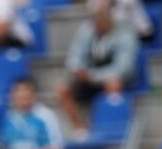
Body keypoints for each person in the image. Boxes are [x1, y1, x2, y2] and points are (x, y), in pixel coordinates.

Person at [54, 0, 138, 140]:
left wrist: (93, 76)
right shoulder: (87, 29)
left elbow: (123, 68)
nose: (98, 22)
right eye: (95, 18)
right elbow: (73, 58)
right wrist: (80, 70)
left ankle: (109, 128)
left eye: (102, 17)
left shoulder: (125, 32)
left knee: (113, 84)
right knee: (62, 89)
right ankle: (80, 130)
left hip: (113, 78)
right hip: (88, 78)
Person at [0, 77, 66, 149]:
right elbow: (4, 148)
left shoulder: (45, 116)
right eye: (18, 94)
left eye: (25, 94)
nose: (22, 98)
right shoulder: (10, 117)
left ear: (33, 95)